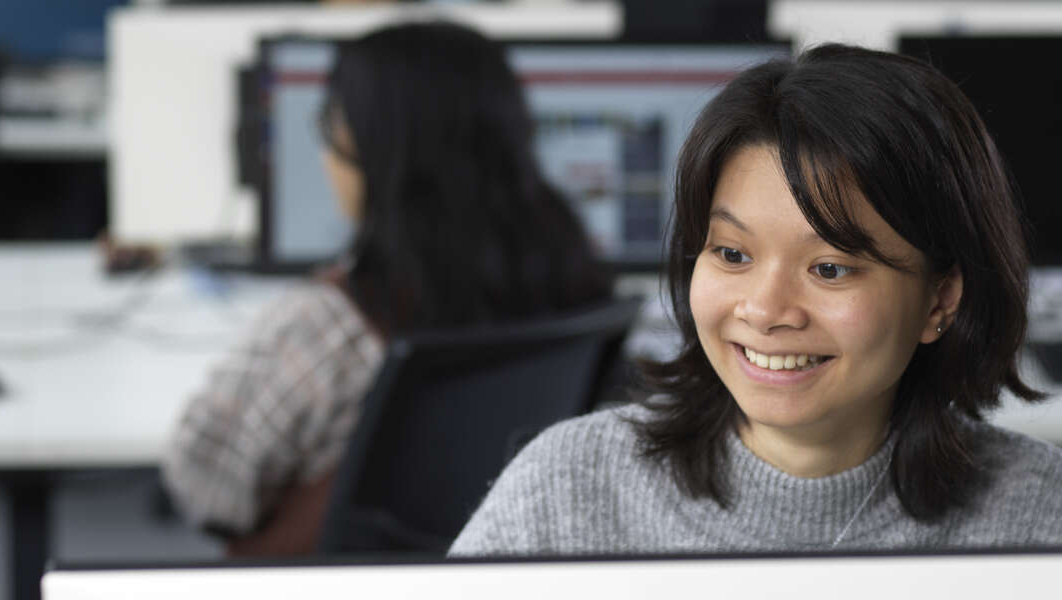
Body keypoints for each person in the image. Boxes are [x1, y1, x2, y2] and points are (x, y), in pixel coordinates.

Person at [451, 43, 1062, 556]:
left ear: (940, 300)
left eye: (829, 267)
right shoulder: (569, 490)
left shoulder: (1035, 515)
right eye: (732, 255)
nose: (766, 311)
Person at [162, 21, 613, 555]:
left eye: (333, 127)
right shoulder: (578, 283)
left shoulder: (325, 325)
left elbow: (206, 490)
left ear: (370, 151)